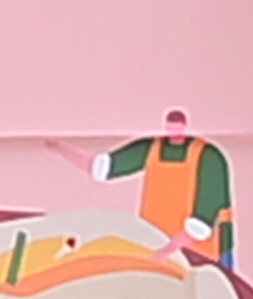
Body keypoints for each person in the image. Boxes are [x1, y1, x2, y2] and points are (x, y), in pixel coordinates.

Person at [91, 115, 235, 268]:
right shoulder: (153, 149)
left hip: (205, 252)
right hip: (157, 242)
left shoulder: (210, 157)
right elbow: (109, 166)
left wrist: (165, 252)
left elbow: (205, 216)